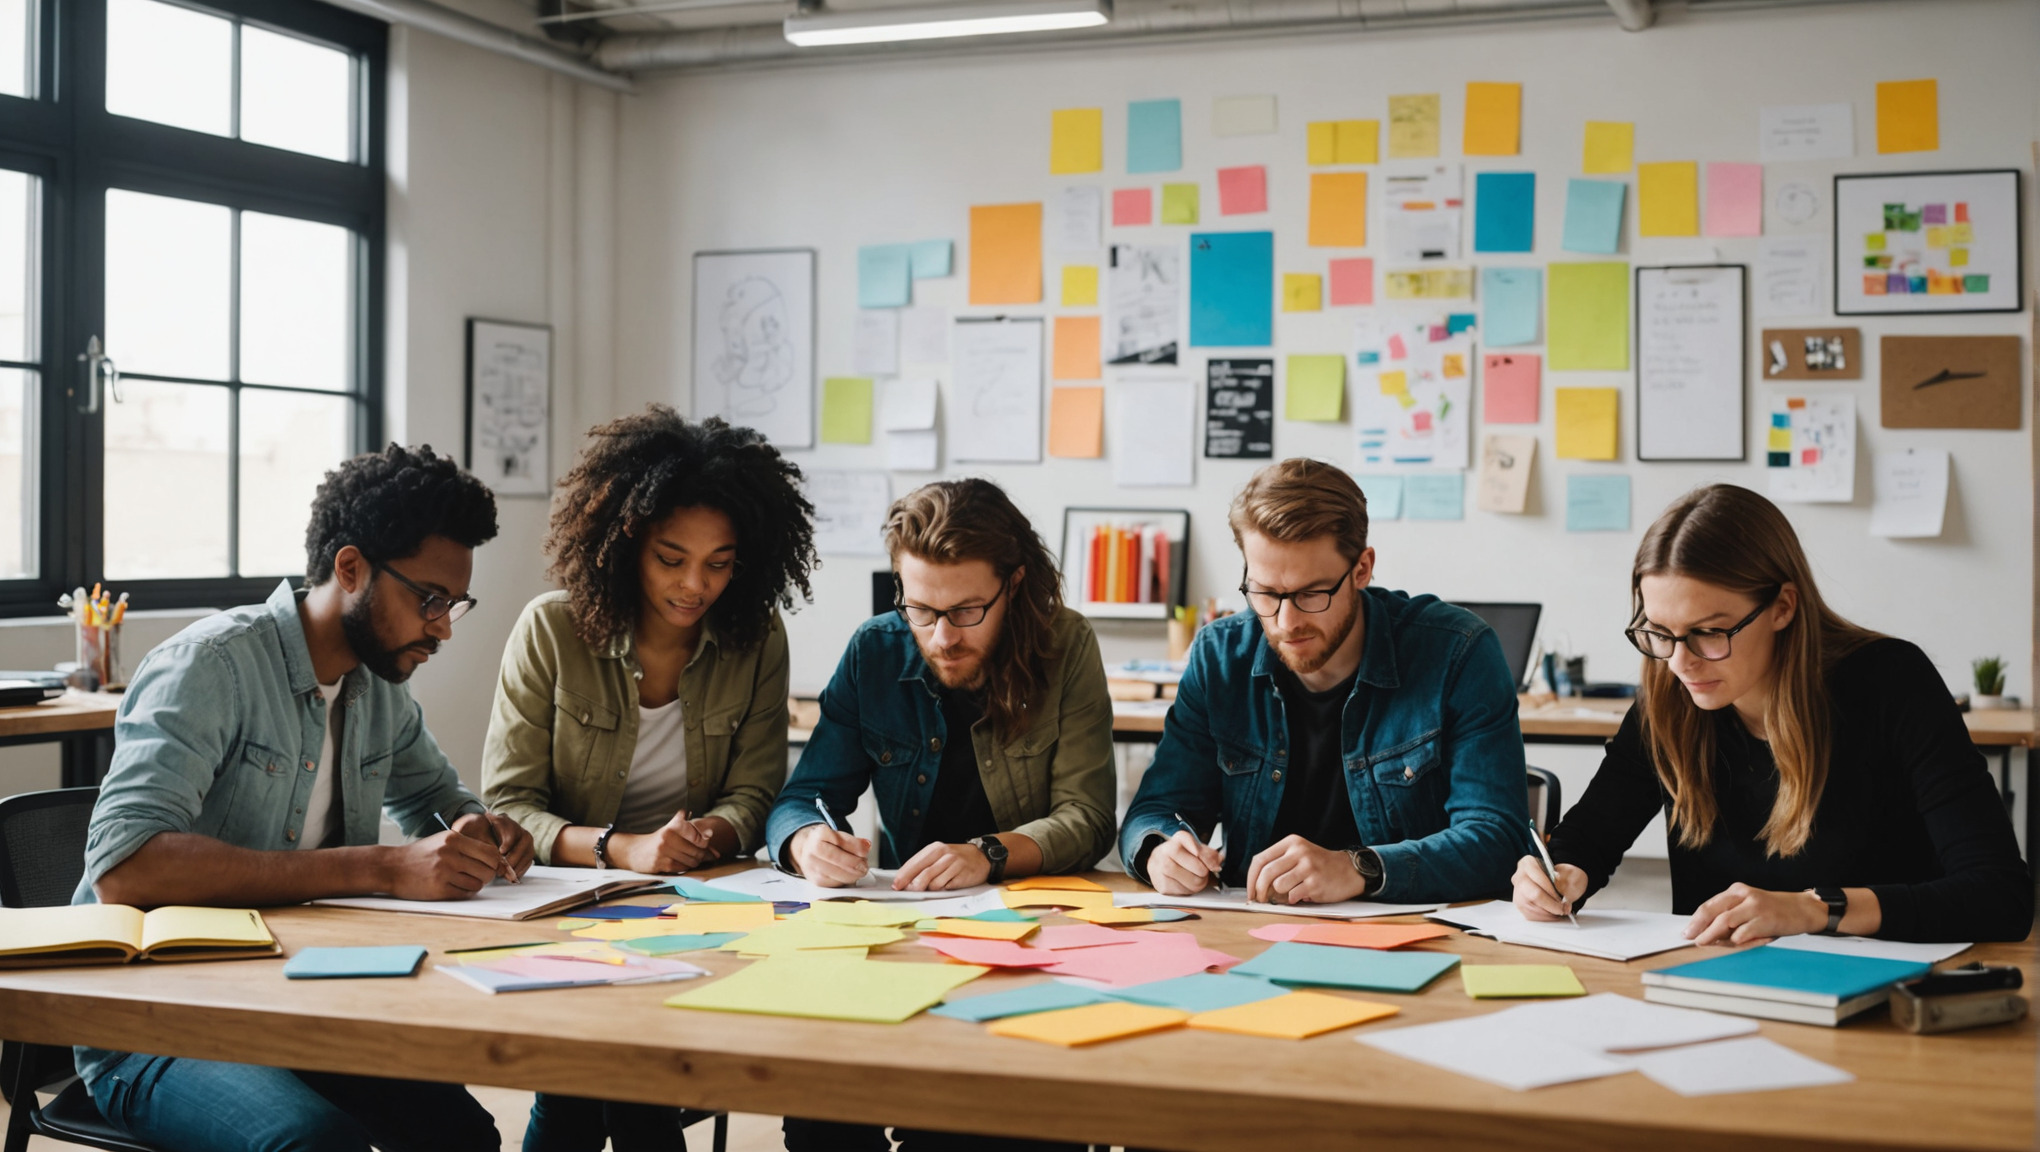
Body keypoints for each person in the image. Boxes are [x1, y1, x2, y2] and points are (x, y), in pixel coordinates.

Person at [75, 444, 527, 1152]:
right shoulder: (210, 666)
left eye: (454, 604)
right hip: (156, 1018)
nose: (442, 627)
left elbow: (440, 800)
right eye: (429, 600)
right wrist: (380, 866)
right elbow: (125, 868)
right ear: (351, 569)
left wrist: (480, 830)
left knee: (461, 1135)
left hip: (305, 999)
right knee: (314, 1142)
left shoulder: (379, 687)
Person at [483, 408, 815, 1152]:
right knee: (600, 1091)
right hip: (570, 901)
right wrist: (621, 849)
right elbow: (509, 805)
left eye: (720, 563)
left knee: (620, 1089)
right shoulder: (552, 631)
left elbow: (758, 794)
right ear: (625, 542)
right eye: (672, 558)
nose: (696, 584)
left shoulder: (756, 637)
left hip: (704, 905)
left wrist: (705, 837)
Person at [1514, 484, 2031, 944]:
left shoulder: (1891, 682)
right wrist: (1557, 875)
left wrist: (1815, 910)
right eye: (1660, 632)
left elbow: (2001, 896)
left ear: (1783, 606)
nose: (1681, 661)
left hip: (1882, 993)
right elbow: (1591, 837)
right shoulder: (1671, 694)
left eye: (1710, 631)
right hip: (1715, 987)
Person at [765, 478, 1114, 1152]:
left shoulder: (1064, 645)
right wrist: (806, 840)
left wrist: (987, 852)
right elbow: (800, 798)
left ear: (1013, 586)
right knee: (816, 1109)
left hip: (1034, 938)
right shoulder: (875, 649)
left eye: (966, 611)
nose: (942, 636)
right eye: (921, 609)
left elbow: (1089, 816)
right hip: (905, 934)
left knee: (981, 1125)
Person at [1122, 458, 1526, 905]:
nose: (1285, 621)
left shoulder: (1458, 652)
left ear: (1362, 569)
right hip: (1250, 929)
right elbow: (1154, 812)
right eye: (1266, 593)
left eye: (1311, 593)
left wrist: (1359, 868)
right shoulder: (1220, 656)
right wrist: (1161, 852)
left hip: (1412, 935)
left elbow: (1498, 840)